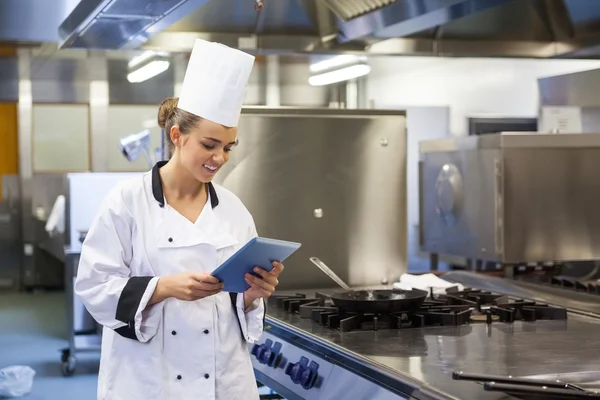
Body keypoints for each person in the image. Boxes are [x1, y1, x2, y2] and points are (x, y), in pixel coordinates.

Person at [74, 39, 283, 400]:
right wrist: (165, 287)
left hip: (223, 379)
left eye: (228, 147)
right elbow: (94, 287)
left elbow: (237, 304)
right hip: (149, 381)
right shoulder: (126, 203)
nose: (220, 157)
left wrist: (251, 294)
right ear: (177, 136)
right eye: (209, 144)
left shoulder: (234, 210)